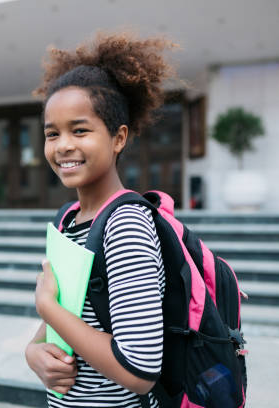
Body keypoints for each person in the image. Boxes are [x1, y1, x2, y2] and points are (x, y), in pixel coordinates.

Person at [24, 32, 178, 407]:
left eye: (80, 130)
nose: (62, 146)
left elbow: (139, 371)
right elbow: (71, 318)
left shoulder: (125, 225)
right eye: (52, 133)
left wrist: (48, 307)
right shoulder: (70, 219)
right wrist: (33, 352)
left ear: (118, 137)